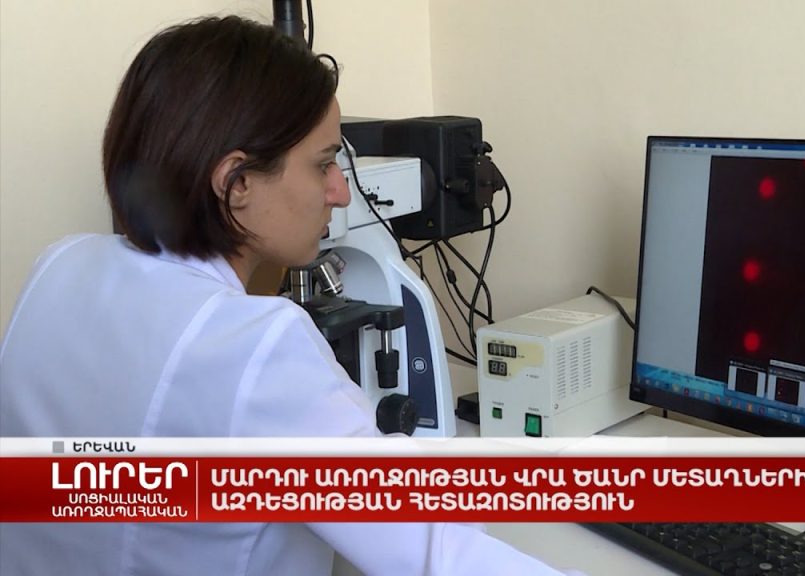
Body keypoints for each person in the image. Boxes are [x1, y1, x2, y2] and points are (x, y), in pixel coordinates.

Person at [0, 16, 584, 576]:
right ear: (237, 184)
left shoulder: (61, 266)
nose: (340, 192)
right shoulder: (254, 345)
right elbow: (434, 551)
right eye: (324, 164)